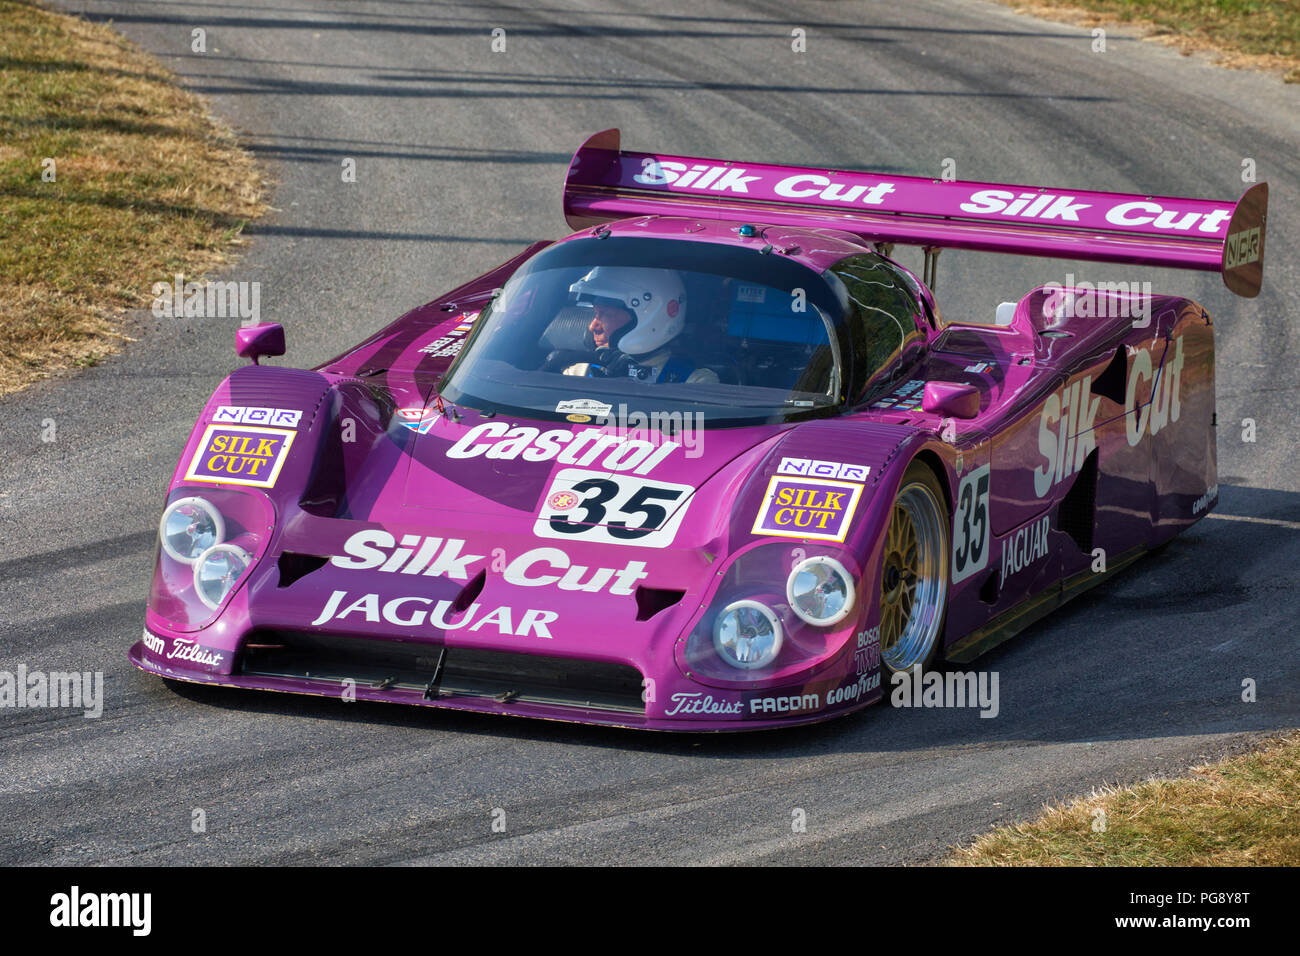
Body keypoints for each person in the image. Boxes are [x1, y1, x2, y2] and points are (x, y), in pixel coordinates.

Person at [562, 267, 719, 384]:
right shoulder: (581, 372)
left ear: (650, 319)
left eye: (606, 314)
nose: (593, 327)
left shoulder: (694, 383)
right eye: (595, 313)